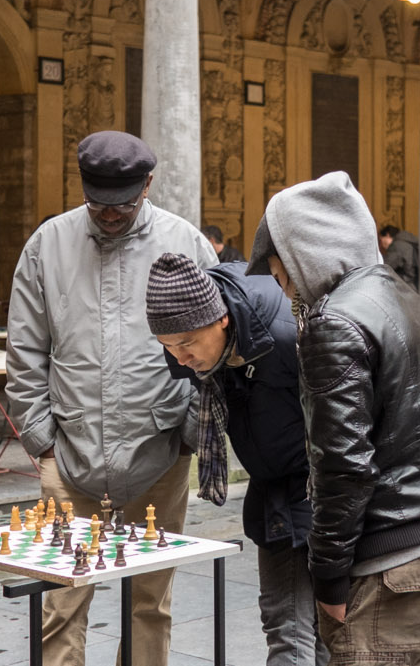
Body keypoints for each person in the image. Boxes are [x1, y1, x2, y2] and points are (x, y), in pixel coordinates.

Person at [248, 172, 420, 666]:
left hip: (396, 569)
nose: (283, 288)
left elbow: (342, 466)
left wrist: (328, 578)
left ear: (303, 254)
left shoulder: (334, 322)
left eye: (279, 271)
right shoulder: (406, 299)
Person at [6, 131, 219, 666]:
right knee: (62, 601)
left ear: (147, 185)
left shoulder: (186, 243)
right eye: (97, 204)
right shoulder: (47, 245)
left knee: (150, 604)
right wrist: (43, 443)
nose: (108, 215)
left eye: (122, 205)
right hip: (69, 453)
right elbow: (25, 351)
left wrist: (190, 433)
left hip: (161, 453)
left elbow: (216, 353)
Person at [145, 253, 322, 666]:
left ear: (222, 318)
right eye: (168, 347)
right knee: (297, 630)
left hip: (318, 491)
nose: (180, 359)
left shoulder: (285, 337)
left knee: (302, 635)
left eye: (186, 343)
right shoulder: (202, 337)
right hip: (274, 491)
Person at [378, 224, 420, 289]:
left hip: (408, 288)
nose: (381, 245)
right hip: (417, 284)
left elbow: (385, 267)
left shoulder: (397, 246)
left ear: (387, 235)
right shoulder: (409, 241)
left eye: (381, 240)